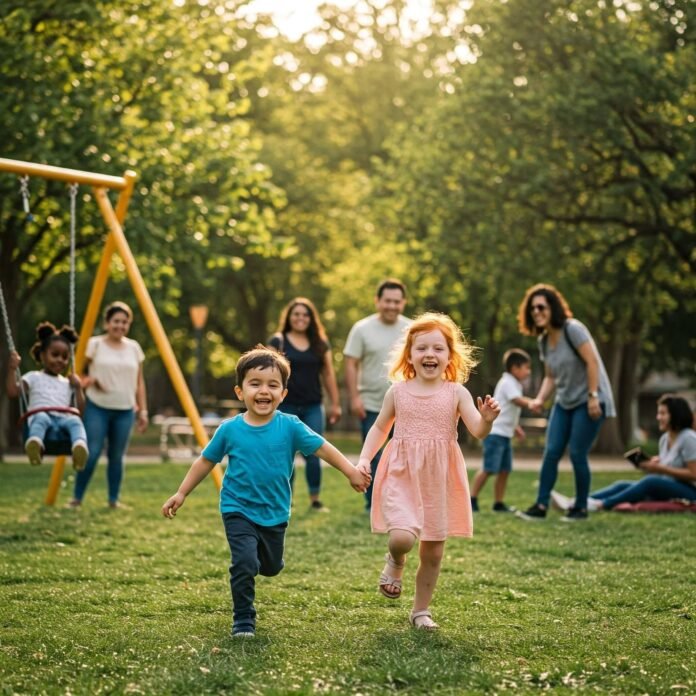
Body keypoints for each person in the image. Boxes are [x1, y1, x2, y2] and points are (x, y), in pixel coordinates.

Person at [161, 346, 370, 638]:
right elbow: (206, 461)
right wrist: (181, 493)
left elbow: (322, 447)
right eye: (255, 384)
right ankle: (243, 618)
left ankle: (266, 561)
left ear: (283, 394)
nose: (264, 391)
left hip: (274, 511)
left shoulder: (291, 426)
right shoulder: (229, 429)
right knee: (245, 562)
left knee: (270, 567)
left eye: (273, 385)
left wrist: (350, 471)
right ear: (240, 391)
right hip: (237, 508)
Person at [356, 313, 500, 630]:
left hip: (439, 478)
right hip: (403, 473)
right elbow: (380, 428)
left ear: (450, 356)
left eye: (438, 349)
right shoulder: (398, 392)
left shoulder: (457, 393)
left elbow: (477, 430)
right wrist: (365, 459)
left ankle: (421, 611)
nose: (429, 355)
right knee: (402, 537)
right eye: (422, 348)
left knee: (433, 552)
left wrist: (487, 419)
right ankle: (396, 560)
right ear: (409, 354)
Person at [515, 284, 616, 522]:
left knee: (578, 453)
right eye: (532, 309)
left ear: (553, 307)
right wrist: (540, 399)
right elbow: (551, 376)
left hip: (589, 399)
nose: (536, 312)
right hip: (564, 400)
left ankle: (580, 508)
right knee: (551, 452)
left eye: (541, 307)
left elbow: (592, 363)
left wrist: (593, 396)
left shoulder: (573, 329)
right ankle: (540, 506)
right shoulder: (543, 341)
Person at [552, 394, 696, 511]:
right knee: (622, 484)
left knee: (649, 482)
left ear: (676, 415)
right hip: (670, 485)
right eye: (658, 413)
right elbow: (669, 466)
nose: (658, 417)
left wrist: (660, 468)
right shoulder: (665, 438)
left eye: (663, 413)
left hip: (690, 493)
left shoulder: (688, 438)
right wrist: (652, 465)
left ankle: (600, 505)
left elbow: (693, 474)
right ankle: (577, 501)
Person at [68, 301, 148, 509]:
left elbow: (140, 382)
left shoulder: (134, 348)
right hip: (97, 407)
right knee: (92, 452)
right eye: (116, 321)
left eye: (124, 322)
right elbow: (77, 377)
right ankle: (77, 497)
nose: (120, 326)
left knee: (116, 456)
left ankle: (113, 500)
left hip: (125, 410)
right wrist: (90, 380)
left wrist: (143, 410)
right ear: (107, 323)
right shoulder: (94, 344)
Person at [268, 297, 342, 511]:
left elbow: (328, 373)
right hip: (285, 406)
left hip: (312, 406)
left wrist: (335, 403)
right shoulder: (278, 341)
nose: (300, 318)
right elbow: (268, 372)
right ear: (289, 317)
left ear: (311, 319)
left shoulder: (320, 343)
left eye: (305, 315)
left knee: (314, 452)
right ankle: (285, 500)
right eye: (296, 314)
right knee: (284, 453)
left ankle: (315, 499)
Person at [344, 278, 411, 509]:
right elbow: (351, 363)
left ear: (403, 303)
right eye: (387, 301)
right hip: (371, 402)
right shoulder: (362, 329)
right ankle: (372, 502)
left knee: (404, 455)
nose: (391, 306)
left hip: (408, 403)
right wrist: (354, 397)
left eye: (396, 301)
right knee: (372, 454)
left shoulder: (412, 328)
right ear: (377, 301)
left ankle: (399, 500)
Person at [6, 322, 88, 470]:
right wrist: (12, 369)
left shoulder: (67, 382)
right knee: (42, 417)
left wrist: (78, 388)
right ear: (42, 355)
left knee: (75, 420)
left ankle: (79, 447)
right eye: (55, 355)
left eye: (64, 357)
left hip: (62, 422)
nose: (60, 360)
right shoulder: (33, 377)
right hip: (41, 419)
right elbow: (12, 391)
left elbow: (80, 410)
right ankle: (35, 445)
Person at [470, 348, 533, 513]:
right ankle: (471, 499)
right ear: (515, 368)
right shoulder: (507, 382)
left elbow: (507, 410)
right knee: (489, 468)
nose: (528, 371)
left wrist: (516, 428)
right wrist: (533, 403)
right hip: (495, 434)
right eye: (526, 367)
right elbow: (516, 401)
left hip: (505, 434)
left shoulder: (514, 383)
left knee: (505, 470)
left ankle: (498, 503)